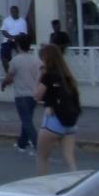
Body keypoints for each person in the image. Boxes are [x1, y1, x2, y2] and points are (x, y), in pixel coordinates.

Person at [34, 44, 81, 174]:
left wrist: (39, 75)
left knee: (42, 157)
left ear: (46, 58)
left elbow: (37, 95)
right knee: (69, 158)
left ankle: (42, 184)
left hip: (53, 120)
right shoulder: (67, 76)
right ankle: (77, 181)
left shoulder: (48, 76)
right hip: (70, 122)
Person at [0, 34, 40, 153]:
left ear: (18, 45)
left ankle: (38, 145)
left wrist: (3, 84)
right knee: (27, 119)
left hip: (21, 95)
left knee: (27, 121)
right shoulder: (36, 60)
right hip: (33, 94)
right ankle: (22, 143)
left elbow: (9, 77)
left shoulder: (15, 61)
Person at [0, 5, 27, 72]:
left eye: (15, 12)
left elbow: (23, 33)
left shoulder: (22, 21)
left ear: (18, 12)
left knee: (23, 55)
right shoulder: (6, 20)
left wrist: (15, 37)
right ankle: (8, 73)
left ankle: (22, 71)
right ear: (10, 12)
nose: (14, 13)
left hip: (18, 40)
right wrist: (11, 37)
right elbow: (3, 31)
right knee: (3, 56)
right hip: (8, 40)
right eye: (12, 12)